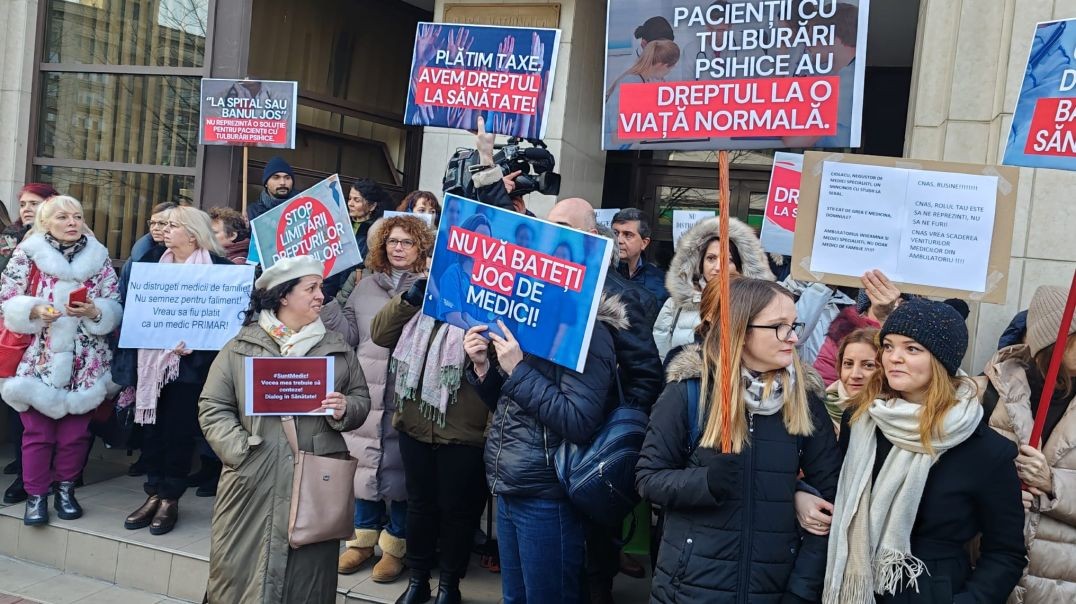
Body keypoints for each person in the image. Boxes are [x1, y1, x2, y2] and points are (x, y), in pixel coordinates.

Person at [637, 278, 839, 602]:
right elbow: (649, 479)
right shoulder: (689, 394)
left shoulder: (805, 403)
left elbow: (831, 501)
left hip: (774, 588)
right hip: (689, 590)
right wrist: (704, 483)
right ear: (742, 331)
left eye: (793, 325)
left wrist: (801, 591)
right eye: (779, 327)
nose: (794, 337)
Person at [823, 299, 1027, 603]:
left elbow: (1006, 553)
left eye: (912, 349)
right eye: (889, 346)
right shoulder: (862, 420)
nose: (894, 358)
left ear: (941, 360)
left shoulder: (986, 450)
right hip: (853, 587)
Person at [199, 255, 371, 603]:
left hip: (315, 482)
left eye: (320, 287)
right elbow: (212, 406)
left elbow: (361, 400)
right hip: (251, 479)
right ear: (283, 296)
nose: (321, 295)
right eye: (311, 288)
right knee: (238, 574)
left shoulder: (336, 348)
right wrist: (240, 450)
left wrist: (344, 408)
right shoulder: (242, 347)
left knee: (307, 578)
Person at [465, 295, 621, 603]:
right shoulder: (532, 322)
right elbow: (513, 406)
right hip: (511, 483)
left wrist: (519, 369)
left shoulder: (589, 333)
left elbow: (577, 420)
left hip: (548, 495)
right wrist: (483, 367)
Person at [547, 199, 663, 602]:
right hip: (547, 440)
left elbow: (646, 375)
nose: (554, 231)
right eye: (550, 224)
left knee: (595, 558)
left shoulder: (623, 297)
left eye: (563, 224)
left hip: (596, 448)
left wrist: (615, 427)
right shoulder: (543, 283)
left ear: (591, 235)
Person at [0, 195, 122, 525]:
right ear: (46, 222)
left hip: (86, 361)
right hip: (38, 359)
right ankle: (36, 496)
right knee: (37, 434)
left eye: (77, 217)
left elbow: (112, 301)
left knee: (75, 436)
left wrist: (96, 311)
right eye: (63, 217)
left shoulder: (99, 257)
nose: (72, 222)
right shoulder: (28, 253)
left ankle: (66, 490)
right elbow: (7, 298)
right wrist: (34, 310)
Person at [323, 216, 433, 582]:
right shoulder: (364, 285)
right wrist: (327, 304)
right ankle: (361, 540)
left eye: (406, 242)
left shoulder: (431, 287)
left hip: (409, 393)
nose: (398, 248)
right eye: (392, 242)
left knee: (402, 473)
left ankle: (395, 546)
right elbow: (348, 335)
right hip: (367, 391)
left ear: (421, 247)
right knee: (364, 466)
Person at [371, 278, 492, 604]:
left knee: (458, 512)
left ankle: (450, 585)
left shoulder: (493, 300)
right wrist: (410, 298)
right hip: (416, 425)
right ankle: (418, 581)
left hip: (465, 430)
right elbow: (380, 334)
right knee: (419, 507)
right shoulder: (428, 292)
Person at [118, 207, 232, 536]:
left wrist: (196, 338)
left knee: (178, 432)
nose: (164, 230)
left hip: (191, 367)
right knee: (150, 429)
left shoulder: (220, 269)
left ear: (193, 234)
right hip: (151, 362)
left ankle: (170, 498)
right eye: (164, 225)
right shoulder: (151, 262)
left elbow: (227, 319)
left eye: (173, 226)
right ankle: (153, 491)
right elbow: (133, 308)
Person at [979, 285, 1076, 602]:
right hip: (990, 568)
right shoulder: (994, 392)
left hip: (1059, 581)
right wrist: (999, 492)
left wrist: (1052, 483)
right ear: (1054, 343)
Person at [2, 182, 59, 505]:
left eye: (34, 203)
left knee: (46, 412)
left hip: (51, 338)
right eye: (23, 203)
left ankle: (39, 476)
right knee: (17, 405)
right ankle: (25, 467)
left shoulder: (72, 242)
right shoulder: (12, 238)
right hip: (14, 334)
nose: (26, 208)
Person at [653, 215, 775, 361]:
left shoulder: (757, 305)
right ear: (700, 263)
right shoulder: (675, 304)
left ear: (741, 265)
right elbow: (659, 355)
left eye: (727, 260)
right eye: (711, 258)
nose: (718, 267)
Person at [814, 270, 903, 385]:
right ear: (865, 310)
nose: (892, 311)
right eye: (881, 306)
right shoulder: (842, 331)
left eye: (899, 305)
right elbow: (824, 381)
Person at [824, 328, 879, 435]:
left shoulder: (894, 413)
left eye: (868, 365)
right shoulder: (820, 409)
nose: (855, 375)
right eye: (848, 364)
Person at [611, 208, 668, 305]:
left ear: (644, 243)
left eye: (628, 235)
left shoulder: (660, 282)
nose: (618, 240)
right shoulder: (601, 270)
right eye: (615, 233)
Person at [349, 178, 391, 261]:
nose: (350, 204)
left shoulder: (377, 229)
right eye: (349, 198)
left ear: (372, 206)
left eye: (357, 200)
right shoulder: (342, 223)